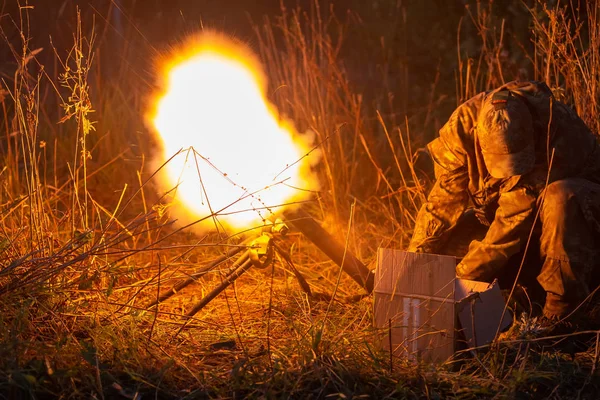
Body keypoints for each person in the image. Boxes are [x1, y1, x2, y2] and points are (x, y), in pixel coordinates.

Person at [408, 80, 600, 322]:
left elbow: (510, 228)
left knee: (561, 196)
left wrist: (457, 282)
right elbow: (441, 205)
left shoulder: (555, 129)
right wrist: (413, 266)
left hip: (582, 234)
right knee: (454, 237)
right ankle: (514, 298)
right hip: (523, 227)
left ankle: (560, 317)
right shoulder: (462, 128)